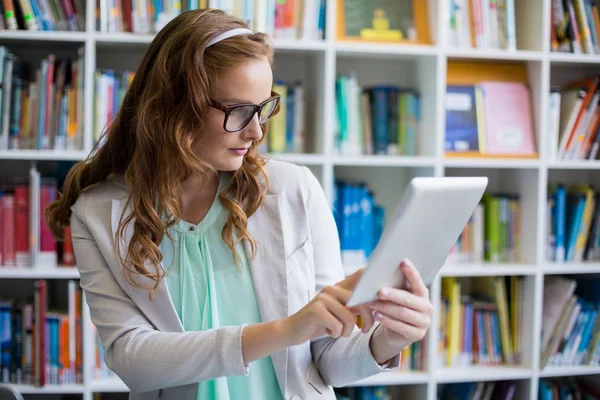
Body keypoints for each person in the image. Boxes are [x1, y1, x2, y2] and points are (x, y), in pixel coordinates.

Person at [45, 8, 433, 400]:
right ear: (175, 105)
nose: (256, 129)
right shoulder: (97, 213)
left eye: (263, 108)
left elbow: (326, 360)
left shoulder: (294, 189)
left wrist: (387, 340)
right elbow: (132, 358)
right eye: (237, 111)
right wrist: (286, 330)